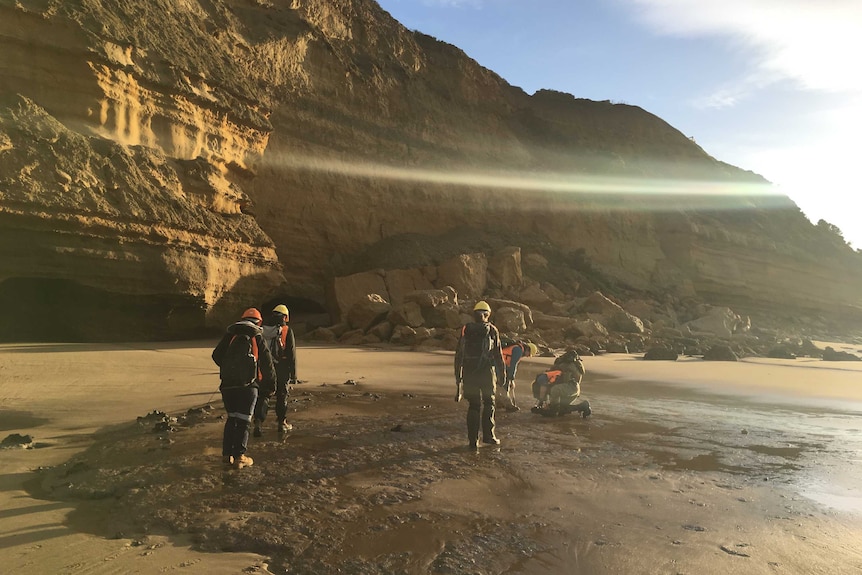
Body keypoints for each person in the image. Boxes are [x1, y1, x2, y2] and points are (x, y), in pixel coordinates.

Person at [212, 308, 276, 469]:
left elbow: (216, 355)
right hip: (248, 385)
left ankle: (227, 456)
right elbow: (267, 364)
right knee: (243, 420)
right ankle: (240, 456)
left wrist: (230, 368)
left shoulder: (231, 334)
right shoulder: (257, 336)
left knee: (231, 418)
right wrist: (270, 386)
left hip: (227, 385)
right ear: (259, 322)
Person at [454, 300, 506, 449]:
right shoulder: (492, 330)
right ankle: (489, 437)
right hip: (487, 372)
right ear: (488, 315)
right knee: (489, 403)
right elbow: (498, 354)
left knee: (474, 405)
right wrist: (502, 375)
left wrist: (458, 379)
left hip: (470, 372)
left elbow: (459, 354)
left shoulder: (466, 329)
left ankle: (473, 441)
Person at [253, 304, 297, 436]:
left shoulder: (262, 329)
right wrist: (293, 374)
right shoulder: (286, 330)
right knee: (281, 395)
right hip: (281, 366)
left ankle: (258, 423)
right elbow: (291, 353)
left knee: (264, 395)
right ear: (285, 316)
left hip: (265, 366)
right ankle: (281, 423)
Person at [531, 351, 591, 417]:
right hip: (573, 389)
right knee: (562, 409)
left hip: (570, 388)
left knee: (554, 389)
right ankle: (583, 406)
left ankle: (553, 410)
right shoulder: (574, 366)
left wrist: (542, 403)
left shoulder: (562, 368)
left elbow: (545, 386)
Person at [496, 340, 538, 412]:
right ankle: (508, 405)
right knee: (505, 385)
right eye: (529, 354)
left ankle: (498, 402)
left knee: (500, 384)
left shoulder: (517, 348)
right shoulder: (518, 350)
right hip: (498, 366)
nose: (527, 356)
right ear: (527, 349)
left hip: (500, 365)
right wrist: (511, 378)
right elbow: (513, 365)